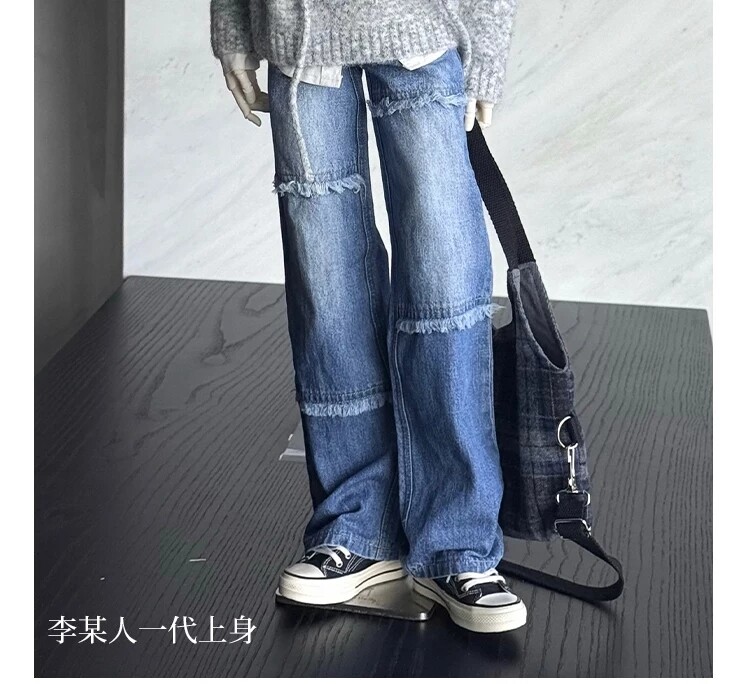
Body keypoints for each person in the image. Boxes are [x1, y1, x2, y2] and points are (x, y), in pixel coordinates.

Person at [210, 0, 526, 634]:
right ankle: (354, 528)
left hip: (425, 33)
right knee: (327, 289)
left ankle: (458, 545)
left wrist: (486, 49)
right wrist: (234, 26)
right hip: (298, 38)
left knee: (444, 286)